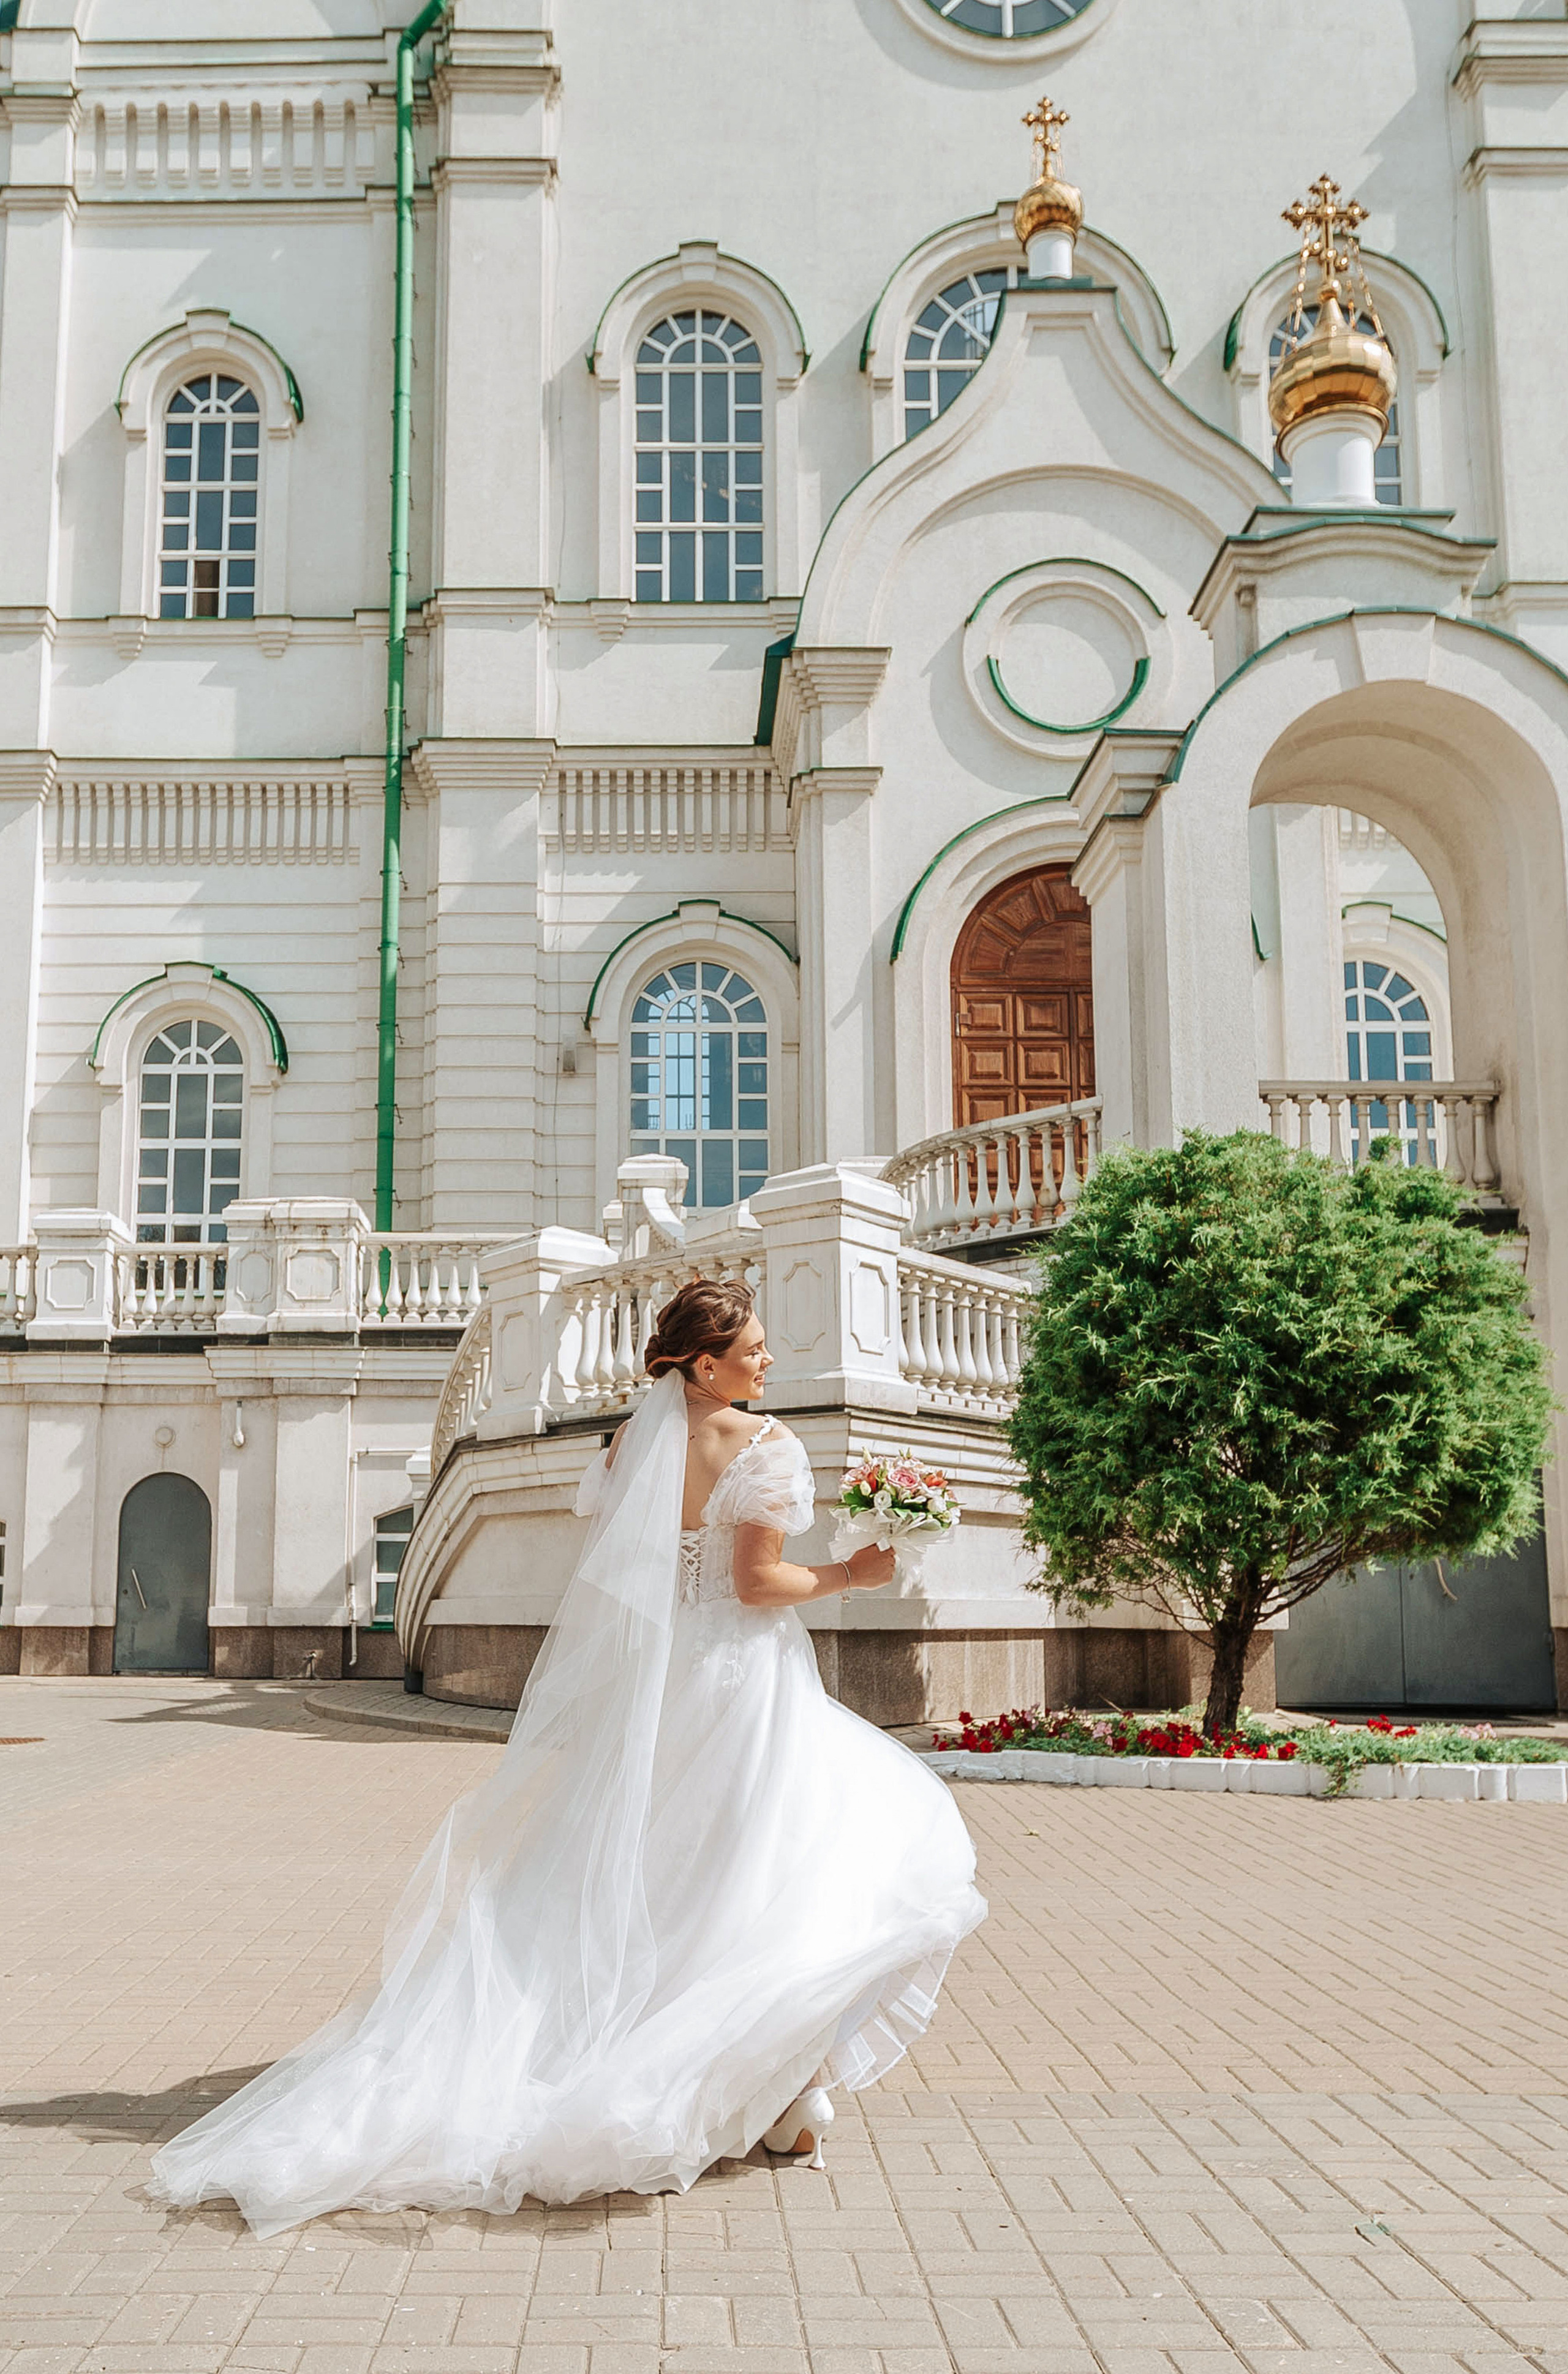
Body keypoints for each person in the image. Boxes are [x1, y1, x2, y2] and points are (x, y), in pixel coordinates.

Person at [148, 1279, 986, 2236]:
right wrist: (856, 1572)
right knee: (777, 1865)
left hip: (658, 1685)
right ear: (703, 1364)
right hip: (739, 1682)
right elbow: (758, 1584)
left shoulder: (631, 1443)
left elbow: (635, 1568)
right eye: (750, 1348)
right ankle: (766, 2090)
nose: (765, 1360)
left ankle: (773, 2091)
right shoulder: (764, 1445)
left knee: (666, 1870)